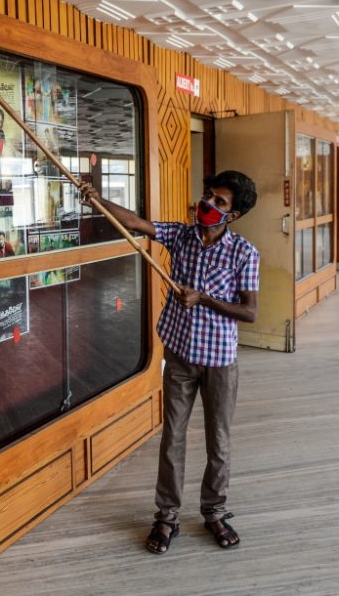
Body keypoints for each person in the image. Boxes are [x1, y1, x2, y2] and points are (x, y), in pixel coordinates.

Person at [80, 170, 259, 554]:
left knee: (219, 442)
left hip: (219, 361)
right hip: (179, 355)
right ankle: (167, 515)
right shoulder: (181, 235)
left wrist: (205, 299)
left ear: (234, 215)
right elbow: (135, 222)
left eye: (220, 202)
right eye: (208, 195)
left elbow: (250, 313)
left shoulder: (244, 252)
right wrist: (96, 199)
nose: (208, 205)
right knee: (172, 438)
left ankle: (214, 511)